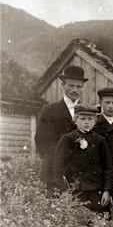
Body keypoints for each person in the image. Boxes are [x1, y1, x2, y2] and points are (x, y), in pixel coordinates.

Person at [35, 65, 87, 193]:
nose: (75, 89)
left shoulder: (87, 111)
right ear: (63, 85)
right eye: (71, 85)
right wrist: (56, 159)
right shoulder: (49, 110)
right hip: (53, 173)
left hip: (79, 174)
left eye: (78, 86)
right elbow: (41, 140)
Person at [52, 103, 112, 212]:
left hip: (96, 190)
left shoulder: (100, 141)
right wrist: (64, 190)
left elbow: (107, 168)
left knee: (96, 222)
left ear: (95, 121)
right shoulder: (68, 139)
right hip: (75, 190)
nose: (86, 122)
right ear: (75, 120)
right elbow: (58, 166)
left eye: (90, 119)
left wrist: (107, 190)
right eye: (82, 118)